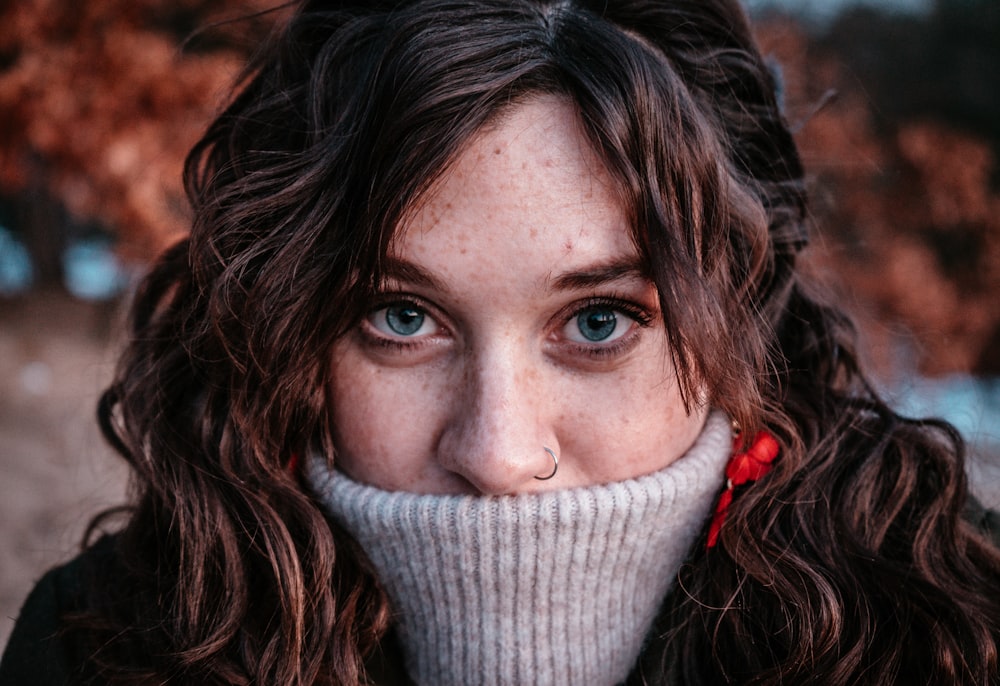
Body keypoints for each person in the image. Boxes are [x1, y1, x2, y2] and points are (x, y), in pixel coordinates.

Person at [3, 0, 1000, 684]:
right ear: (292, 334)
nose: (495, 451)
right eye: (401, 318)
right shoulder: (106, 647)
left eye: (598, 321)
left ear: (740, 315)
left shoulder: (949, 636)